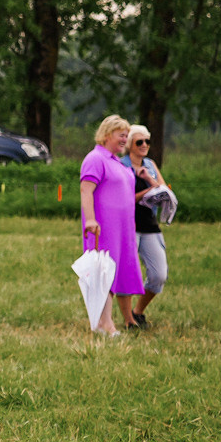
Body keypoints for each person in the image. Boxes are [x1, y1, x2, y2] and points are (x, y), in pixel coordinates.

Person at [78, 114, 144, 336]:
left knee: (118, 271)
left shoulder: (116, 161)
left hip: (123, 228)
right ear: (107, 135)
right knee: (104, 272)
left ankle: (104, 322)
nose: (125, 139)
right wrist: (90, 219)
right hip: (103, 226)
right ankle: (105, 324)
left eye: (127, 136)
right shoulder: (95, 158)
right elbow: (86, 190)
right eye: (121, 135)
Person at [124, 124, 173, 330]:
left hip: (150, 224)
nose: (144, 145)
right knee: (126, 272)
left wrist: (147, 178)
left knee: (158, 275)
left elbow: (163, 190)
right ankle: (128, 320)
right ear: (130, 145)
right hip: (128, 224)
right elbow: (123, 199)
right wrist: (145, 192)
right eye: (139, 141)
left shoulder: (151, 164)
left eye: (147, 141)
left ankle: (138, 311)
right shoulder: (121, 165)